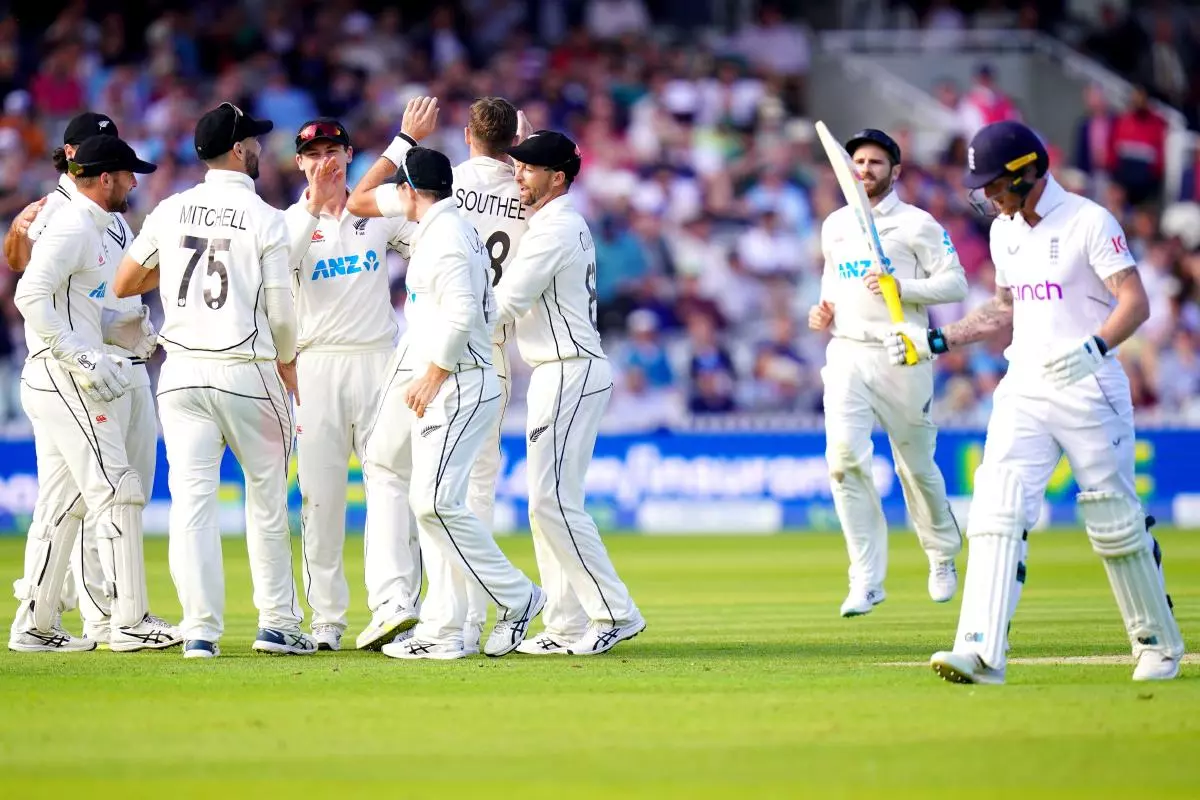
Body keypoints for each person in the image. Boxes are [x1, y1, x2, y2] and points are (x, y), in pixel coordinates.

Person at [886, 120, 1184, 683]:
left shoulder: (1089, 221)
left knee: (1112, 518)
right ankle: (980, 651)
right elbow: (1004, 307)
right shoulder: (1005, 231)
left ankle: (1156, 643)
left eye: (997, 183)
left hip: (1089, 387)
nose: (990, 196)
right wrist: (937, 340)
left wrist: (1095, 347)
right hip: (1023, 384)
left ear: (1030, 171)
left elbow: (1135, 302)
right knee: (995, 508)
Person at [113, 103, 314, 659]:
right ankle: (277, 624)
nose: (258, 149)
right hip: (246, 370)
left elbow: (126, 281)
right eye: (252, 141)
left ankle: (200, 630)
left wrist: (176, 270)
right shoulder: (266, 218)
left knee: (192, 505)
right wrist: (289, 360)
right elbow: (280, 314)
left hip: (180, 374)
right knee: (267, 502)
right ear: (236, 150)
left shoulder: (170, 209)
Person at [347, 95, 531, 655]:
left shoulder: (447, 231)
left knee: (437, 501)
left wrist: (432, 374)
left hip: (453, 368)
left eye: (400, 188)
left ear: (410, 191)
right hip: (473, 356)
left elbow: (356, 200)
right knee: (429, 487)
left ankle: (460, 620)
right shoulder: (517, 192)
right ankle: (446, 617)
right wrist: (529, 146)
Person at [8, 135, 179, 653]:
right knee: (117, 487)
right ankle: (128, 620)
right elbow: (29, 293)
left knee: (64, 503)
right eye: (127, 175)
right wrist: (77, 353)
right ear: (104, 178)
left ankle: (35, 624)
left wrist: (125, 331)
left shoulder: (107, 223)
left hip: (74, 373)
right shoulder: (72, 223)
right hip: (66, 377)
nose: (134, 182)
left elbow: (86, 304)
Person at [494, 130, 645, 655]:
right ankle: (563, 625)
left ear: (557, 178)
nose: (518, 175)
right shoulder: (555, 221)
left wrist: (445, 330)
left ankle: (615, 612)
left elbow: (505, 303)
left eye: (529, 168)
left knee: (550, 501)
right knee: (549, 503)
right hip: (555, 371)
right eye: (517, 165)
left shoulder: (555, 229)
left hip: (570, 369)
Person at [807, 128, 966, 618]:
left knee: (915, 467)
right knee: (843, 461)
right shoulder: (835, 224)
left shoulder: (917, 224)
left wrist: (905, 286)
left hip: (903, 352)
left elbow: (956, 283)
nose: (866, 170)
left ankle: (941, 555)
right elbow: (832, 281)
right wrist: (823, 311)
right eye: (859, 161)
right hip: (848, 353)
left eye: (877, 162)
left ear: (895, 171)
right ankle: (866, 579)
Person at [284, 117, 418, 652]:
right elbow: (276, 268)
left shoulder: (375, 213)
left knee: (393, 486)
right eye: (313, 154)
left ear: (350, 154)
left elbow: (426, 235)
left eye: (333, 150)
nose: (325, 161)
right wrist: (313, 207)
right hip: (316, 367)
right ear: (300, 162)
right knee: (321, 499)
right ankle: (327, 620)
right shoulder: (288, 220)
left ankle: (395, 605)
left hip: (378, 362)